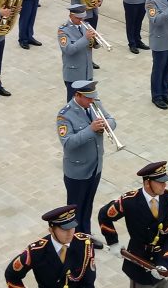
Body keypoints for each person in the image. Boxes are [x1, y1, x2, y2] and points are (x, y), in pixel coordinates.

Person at [99, 161, 168, 288]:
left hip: (163, 261)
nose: (164, 185)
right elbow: (104, 215)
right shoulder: (129, 201)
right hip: (138, 262)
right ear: (147, 183)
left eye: (164, 181)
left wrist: (163, 262)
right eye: (160, 182)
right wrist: (113, 242)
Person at [56, 80, 115, 248]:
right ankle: (74, 241)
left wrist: (106, 124)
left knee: (88, 204)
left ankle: (85, 236)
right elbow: (67, 143)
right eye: (88, 98)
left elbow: (111, 119)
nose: (92, 101)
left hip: (95, 166)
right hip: (77, 171)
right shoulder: (65, 115)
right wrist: (91, 129)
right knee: (75, 209)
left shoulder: (94, 103)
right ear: (77, 95)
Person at [5, 205, 97, 288]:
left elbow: (89, 281)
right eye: (64, 229)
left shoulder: (85, 243)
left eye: (72, 227)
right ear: (51, 230)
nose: (70, 232)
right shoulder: (36, 251)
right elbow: (11, 275)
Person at [58, 3, 96, 101]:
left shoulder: (86, 25)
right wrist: (85, 38)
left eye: (83, 18)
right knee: (74, 103)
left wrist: (95, 40)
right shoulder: (63, 30)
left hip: (87, 72)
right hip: (74, 75)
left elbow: (93, 45)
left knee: (88, 101)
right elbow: (68, 50)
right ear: (71, 16)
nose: (81, 20)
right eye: (78, 18)